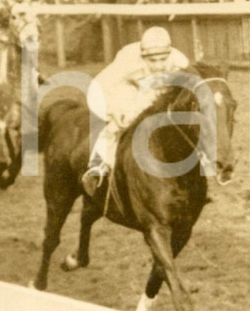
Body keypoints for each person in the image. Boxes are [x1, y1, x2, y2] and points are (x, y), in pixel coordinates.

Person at [81, 26, 189, 196]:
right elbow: (99, 88)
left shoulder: (180, 62)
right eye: (152, 61)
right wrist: (113, 111)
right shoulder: (127, 62)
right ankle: (97, 166)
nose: (158, 66)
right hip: (126, 89)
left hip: (158, 91)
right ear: (143, 57)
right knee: (121, 124)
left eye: (163, 59)